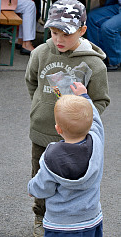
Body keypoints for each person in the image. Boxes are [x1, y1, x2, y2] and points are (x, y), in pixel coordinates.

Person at [24, 0, 110, 236]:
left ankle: (77, 219)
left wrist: (79, 120)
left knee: (77, 181)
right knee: (41, 177)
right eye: (53, 32)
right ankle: (41, 217)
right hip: (42, 131)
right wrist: (41, 105)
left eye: (66, 33)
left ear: (82, 30)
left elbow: (101, 100)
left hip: (77, 139)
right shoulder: (41, 53)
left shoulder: (94, 64)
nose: (58, 39)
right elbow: (32, 82)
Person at [28, 82, 104, 236]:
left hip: (61, 224)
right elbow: (96, 120)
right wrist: (84, 97)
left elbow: (44, 187)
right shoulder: (96, 140)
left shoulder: (51, 156)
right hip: (91, 218)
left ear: (58, 129)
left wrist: (32, 188)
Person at [86, 0, 121, 71]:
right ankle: (100, 57)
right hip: (118, 6)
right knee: (92, 17)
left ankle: (115, 62)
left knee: (109, 28)